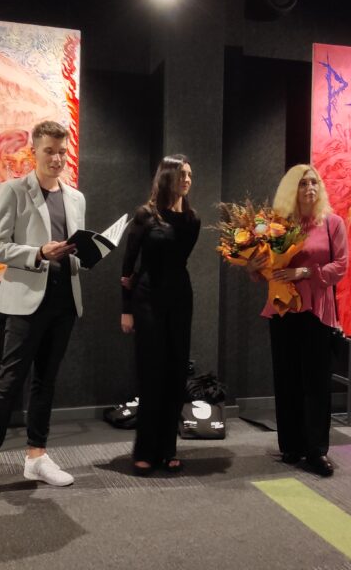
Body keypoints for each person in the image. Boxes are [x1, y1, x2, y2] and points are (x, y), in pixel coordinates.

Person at [0, 120, 85, 506]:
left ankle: (37, 457)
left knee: (46, 382)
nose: (57, 158)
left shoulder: (76, 198)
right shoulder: (13, 191)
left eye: (62, 152)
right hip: (26, 301)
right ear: (34, 152)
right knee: (8, 383)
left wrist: (87, 253)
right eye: (49, 151)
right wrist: (38, 253)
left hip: (65, 301)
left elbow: (75, 252)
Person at [246, 164, 347, 477]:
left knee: (316, 383)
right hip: (283, 310)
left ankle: (316, 450)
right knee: (287, 378)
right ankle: (290, 445)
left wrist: (305, 272)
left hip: (317, 312)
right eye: (303, 184)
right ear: (292, 189)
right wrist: (254, 264)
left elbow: (341, 266)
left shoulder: (333, 223)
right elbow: (261, 271)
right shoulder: (277, 225)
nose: (310, 188)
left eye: (314, 182)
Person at [120, 155, 200, 476]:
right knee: (151, 374)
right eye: (181, 174)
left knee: (175, 373)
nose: (187, 180)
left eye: (190, 175)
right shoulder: (145, 215)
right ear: (167, 176)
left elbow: (179, 260)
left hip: (179, 299)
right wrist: (126, 309)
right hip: (147, 300)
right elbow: (128, 267)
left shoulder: (192, 219)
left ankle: (168, 449)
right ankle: (144, 450)